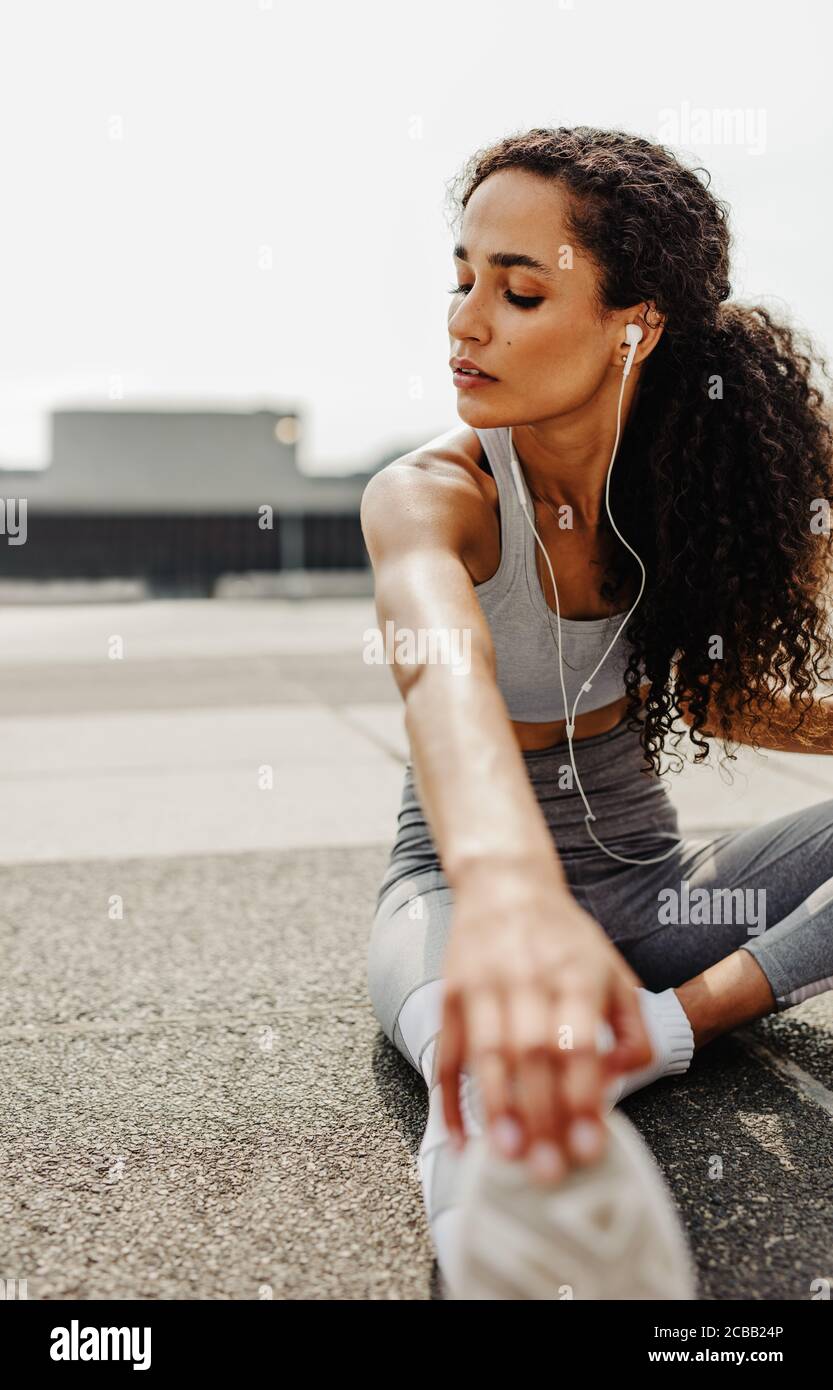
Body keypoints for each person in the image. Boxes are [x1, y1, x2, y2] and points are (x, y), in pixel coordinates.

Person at [361, 126, 833, 1300]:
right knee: (493, 1080)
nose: (467, 320)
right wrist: (516, 904)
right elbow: (442, 685)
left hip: (657, 899)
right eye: (461, 279)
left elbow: (715, 691)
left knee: (615, 1020)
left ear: (635, 325)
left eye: (517, 289)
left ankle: (661, 1028)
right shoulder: (431, 498)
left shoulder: (688, 475)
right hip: (462, 898)